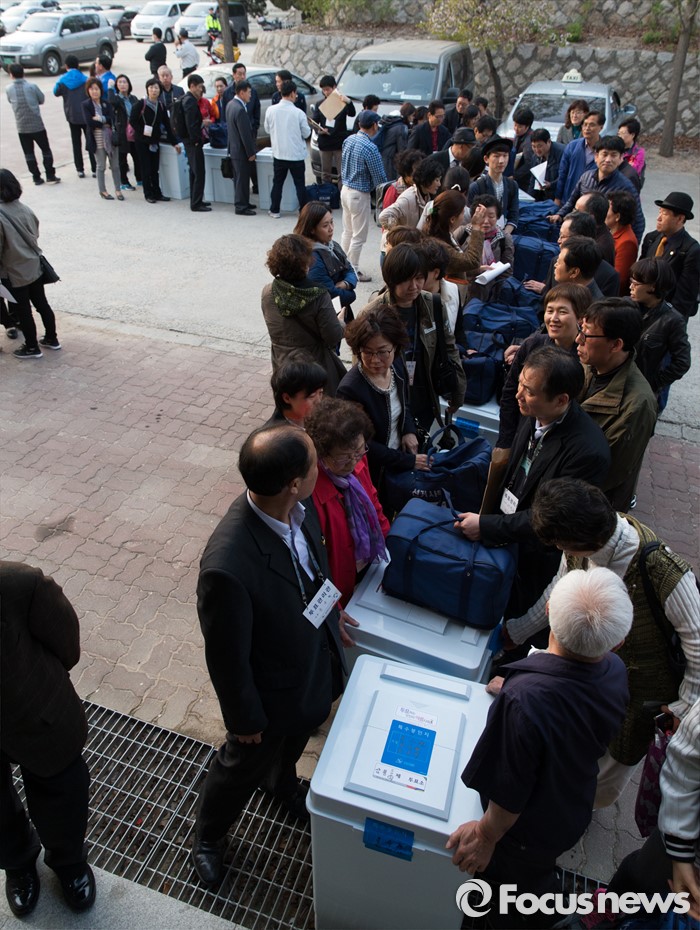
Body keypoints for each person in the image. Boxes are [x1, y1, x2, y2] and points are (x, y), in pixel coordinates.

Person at [191, 425, 348, 887]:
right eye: (315, 464)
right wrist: (244, 720)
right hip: (267, 697)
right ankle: (208, 835)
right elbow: (227, 658)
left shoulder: (298, 510)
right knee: (241, 767)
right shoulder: (228, 566)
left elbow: (312, 571)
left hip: (308, 672)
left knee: (297, 737)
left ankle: (281, 784)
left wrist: (333, 611)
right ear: (293, 483)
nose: (322, 470)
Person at [448, 566, 631, 928]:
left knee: (508, 896)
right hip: (569, 809)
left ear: (547, 611)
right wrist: (522, 684)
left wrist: (485, 835)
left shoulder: (524, 702)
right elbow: (569, 700)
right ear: (617, 643)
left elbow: (509, 792)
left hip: (523, 836)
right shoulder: (615, 670)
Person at [507, 477, 700, 808]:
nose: (561, 552)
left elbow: (697, 640)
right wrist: (516, 631)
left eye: (563, 546)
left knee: (613, 765)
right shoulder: (581, 546)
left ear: (587, 539)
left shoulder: (660, 568)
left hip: (644, 696)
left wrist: (683, 707)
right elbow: (558, 591)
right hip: (595, 680)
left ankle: (582, 811)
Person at [455, 346, 610, 617]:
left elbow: (552, 518)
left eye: (529, 391)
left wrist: (487, 526)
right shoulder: (534, 414)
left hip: (533, 557)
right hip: (505, 529)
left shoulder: (587, 452)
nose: (518, 395)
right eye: (520, 384)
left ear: (561, 400)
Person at [0, 562, 95, 918]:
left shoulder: (19, 585)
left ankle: (68, 862)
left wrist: (47, 681)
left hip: (38, 713)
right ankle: (17, 862)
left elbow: (66, 643)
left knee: (63, 793)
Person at [596, 697, 700, 926]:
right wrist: (680, 850)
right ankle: (609, 907)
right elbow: (687, 760)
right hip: (684, 843)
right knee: (642, 878)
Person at [360, 243, 466, 433]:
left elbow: (449, 347)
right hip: (389, 396)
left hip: (423, 393)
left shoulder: (433, 305)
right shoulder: (373, 313)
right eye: (406, 280)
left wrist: (458, 390)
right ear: (392, 279)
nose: (414, 286)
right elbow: (361, 364)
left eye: (419, 278)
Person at [338, 307, 429, 507]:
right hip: (374, 472)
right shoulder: (350, 389)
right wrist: (407, 461)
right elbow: (363, 445)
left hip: (398, 458)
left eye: (382, 351)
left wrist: (408, 430)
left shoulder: (396, 365)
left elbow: (404, 402)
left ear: (395, 347)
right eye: (367, 352)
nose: (375, 360)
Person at [305, 397, 390, 606]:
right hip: (339, 584)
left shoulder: (359, 460)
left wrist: (389, 542)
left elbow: (373, 501)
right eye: (343, 458)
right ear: (322, 454)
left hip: (370, 563)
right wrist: (333, 608)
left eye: (359, 451)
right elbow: (311, 561)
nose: (352, 462)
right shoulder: (310, 493)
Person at [577, 297, 658, 511]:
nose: (578, 339)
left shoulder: (638, 405)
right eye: (580, 330)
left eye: (586, 335)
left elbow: (605, 473)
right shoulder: (589, 366)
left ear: (616, 345)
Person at [497, 282, 592, 450]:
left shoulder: (585, 358)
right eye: (550, 310)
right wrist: (505, 442)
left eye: (562, 312)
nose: (553, 318)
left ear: (580, 317)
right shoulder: (532, 345)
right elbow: (509, 394)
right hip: (522, 435)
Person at [261, 234, 346, 393]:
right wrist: (340, 322)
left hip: (282, 366)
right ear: (306, 263)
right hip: (314, 369)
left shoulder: (268, 292)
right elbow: (333, 336)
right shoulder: (318, 296)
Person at [0, 169, 61, 359]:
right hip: (34, 266)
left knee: (23, 310)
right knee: (42, 304)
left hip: (14, 271)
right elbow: (35, 232)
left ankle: (32, 347)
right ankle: (52, 339)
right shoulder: (24, 208)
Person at [552, 135, 644, 244]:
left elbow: (638, 221)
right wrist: (560, 214)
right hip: (579, 234)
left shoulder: (626, 187)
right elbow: (571, 201)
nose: (608, 160)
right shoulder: (586, 177)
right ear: (596, 156)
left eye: (613, 155)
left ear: (621, 158)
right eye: (604, 154)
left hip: (602, 241)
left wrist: (630, 246)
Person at [629, 258, 691, 411]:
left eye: (636, 284)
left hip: (640, 392)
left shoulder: (672, 320)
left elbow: (682, 362)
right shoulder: (625, 306)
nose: (631, 287)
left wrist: (654, 383)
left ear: (653, 286)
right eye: (631, 282)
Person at [340, 110, 387, 283]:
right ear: (374, 125)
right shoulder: (370, 147)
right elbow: (380, 178)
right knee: (358, 236)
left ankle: (342, 264)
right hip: (359, 194)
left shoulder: (349, 139)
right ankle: (353, 269)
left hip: (345, 189)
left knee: (348, 231)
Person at [640, 192, 700, 320]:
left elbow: (684, 298)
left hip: (665, 318)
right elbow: (639, 273)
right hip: (642, 309)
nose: (659, 218)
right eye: (659, 212)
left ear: (680, 219)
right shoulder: (651, 238)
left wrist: (666, 322)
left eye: (665, 214)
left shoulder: (690, 250)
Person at [294, 201, 357, 314]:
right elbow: (330, 296)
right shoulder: (313, 259)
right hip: (328, 315)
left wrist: (346, 283)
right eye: (325, 225)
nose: (331, 228)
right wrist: (352, 294)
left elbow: (350, 269)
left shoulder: (332, 245)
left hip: (339, 310)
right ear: (312, 229)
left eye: (332, 222)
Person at [129, 77, 182, 204]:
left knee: (154, 169)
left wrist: (174, 142)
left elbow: (167, 125)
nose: (154, 90)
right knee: (146, 168)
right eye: (151, 87)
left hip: (154, 141)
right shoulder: (140, 104)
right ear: (147, 89)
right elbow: (132, 121)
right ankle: (148, 194)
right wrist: (143, 131)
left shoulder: (161, 106)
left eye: (156, 88)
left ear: (160, 91)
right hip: (142, 141)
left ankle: (157, 193)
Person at [6, 64, 60, 186]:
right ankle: (50, 175)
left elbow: (10, 101)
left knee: (29, 153)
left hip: (21, 126)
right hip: (37, 125)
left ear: (11, 75)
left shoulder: (9, 89)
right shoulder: (32, 87)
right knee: (46, 150)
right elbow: (41, 99)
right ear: (23, 73)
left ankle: (36, 177)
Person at [264, 80, 310, 218]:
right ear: (292, 93)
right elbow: (306, 133)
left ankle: (275, 210)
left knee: (277, 183)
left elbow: (267, 129)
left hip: (279, 153)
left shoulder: (271, 110)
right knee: (300, 185)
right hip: (296, 155)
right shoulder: (298, 113)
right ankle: (303, 211)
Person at [423, 188, 485, 282]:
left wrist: (478, 270)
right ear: (452, 219)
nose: (465, 215)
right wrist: (476, 227)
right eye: (463, 212)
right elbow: (472, 261)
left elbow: (458, 265)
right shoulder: (439, 246)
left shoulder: (444, 234)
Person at [53, 55, 95, 179]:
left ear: (66, 66)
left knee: (76, 143)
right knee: (90, 141)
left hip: (72, 116)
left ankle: (80, 169)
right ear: (78, 65)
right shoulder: (85, 79)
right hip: (86, 115)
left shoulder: (62, 80)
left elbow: (55, 92)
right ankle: (94, 168)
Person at [467, 135, 519, 234]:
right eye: (496, 156)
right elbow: (470, 217)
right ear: (486, 159)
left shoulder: (512, 185)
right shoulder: (476, 187)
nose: (501, 161)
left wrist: (505, 234)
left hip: (503, 233)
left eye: (505, 156)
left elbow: (514, 215)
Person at [81, 78, 122, 201]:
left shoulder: (106, 103)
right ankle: (103, 190)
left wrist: (100, 118)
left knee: (115, 166)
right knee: (101, 166)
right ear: (88, 91)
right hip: (96, 139)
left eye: (97, 89)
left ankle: (118, 189)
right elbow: (89, 122)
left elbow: (112, 118)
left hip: (110, 138)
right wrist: (104, 121)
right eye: (92, 89)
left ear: (100, 90)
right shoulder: (86, 105)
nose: (94, 91)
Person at [468, 192, 514, 300]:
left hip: (490, 295)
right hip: (464, 291)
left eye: (491, 216)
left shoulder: (504, 239)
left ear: (498, 217)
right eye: (482, 216)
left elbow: (506, 273)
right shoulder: (463, 233)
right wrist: (476, 270)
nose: (486, 221)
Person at [378, 157, 443, 232]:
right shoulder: (408, 198)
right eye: (436, 180)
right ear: (427, 179)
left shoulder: (427, 196)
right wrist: (399, 233)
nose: (439, 184)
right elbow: (384, 216)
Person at [312, 75, 356, 185]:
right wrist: (319, 130)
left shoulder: (342, 102)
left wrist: (348, 101)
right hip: (325, 142)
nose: (326, 92)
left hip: (339, 142)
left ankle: (341, 193)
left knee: (342, 173)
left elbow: (352, 113)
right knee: (325, 173)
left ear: (334, 87)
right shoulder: (320, 104)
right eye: (324, 90)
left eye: (328, 89)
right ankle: (327, 192)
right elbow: (314, 121)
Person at [226, 79, 257, 215]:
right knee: (241, 180)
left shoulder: (230, 105)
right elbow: (245, 134)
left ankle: (244, 202)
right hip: (240, 151)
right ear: (242, 93)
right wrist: (251, 153)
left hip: (234, 149)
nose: (250, 95)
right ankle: (241, 206)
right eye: (249, 92)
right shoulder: (239, 109)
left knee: (241, 179)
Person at [266, 358, 327, 427]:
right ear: (287, 398)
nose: (318, 401)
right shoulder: (280, 432)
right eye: (312, 396)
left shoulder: (310, 416)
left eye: (320, 392)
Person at [181, 73, 211, 212]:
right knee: (199, 173)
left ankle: (196, 199)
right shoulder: (190, 101)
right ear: (192, 86)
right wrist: (197, 141)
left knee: (194, 172)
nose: (201, 89)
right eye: (199, 87)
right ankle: (196, 203)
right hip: (193, 143)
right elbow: (191, 124)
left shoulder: (187, 99)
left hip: (191, 141)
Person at [108, 74, 141, 191]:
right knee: (122, 159)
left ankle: (140, 178)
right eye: (120, 82)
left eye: (125, 82)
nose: (122, 84)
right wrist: (110, 88)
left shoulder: (133, 99)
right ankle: (124, 182)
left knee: (137, 157)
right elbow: (111, 101)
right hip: (122, 133)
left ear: (129, 84)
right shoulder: (117, 99)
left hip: (134, 132)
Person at [605, 189, 639, 294]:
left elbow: (619, 279)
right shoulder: (612, 232)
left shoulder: (627, 242)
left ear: (617, 217)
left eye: (607, 209)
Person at [575, 190, 616, 266]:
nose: (573, 214)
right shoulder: (587, 232)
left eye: (577, 211)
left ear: (591, 217)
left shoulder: (599, 247)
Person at [379, 104, 414, 182]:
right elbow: (402, 150)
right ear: (408, 115)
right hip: (390, 161)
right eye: (412, 115)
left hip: (383, 158)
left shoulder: (392, 123)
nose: (413, 118)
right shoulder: (402, 127)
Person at [528, 128, 564, 200]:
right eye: (534, 146)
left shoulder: (562, 153)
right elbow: (533, 181)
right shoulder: (535, 157)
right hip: (544, 196)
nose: (537, 150)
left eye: (539, 146)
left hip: (559, 197)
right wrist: (529, 199)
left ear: (549, 141)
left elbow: (565, 177)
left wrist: (551, 184)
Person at [509, 106, 535, 191]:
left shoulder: (529, 142)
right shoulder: (519, 135)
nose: (516, 129)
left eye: (519, 126)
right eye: (515, 125)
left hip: (525, 181)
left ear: (527, 126)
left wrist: (514, 176)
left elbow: (529, 164)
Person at [618, 116, 645, 187]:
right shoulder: (616, 149)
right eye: (619, 133)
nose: (620, 136)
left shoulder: (639, 152)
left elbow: (634, 171)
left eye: (623, 133)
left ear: (632, 135)